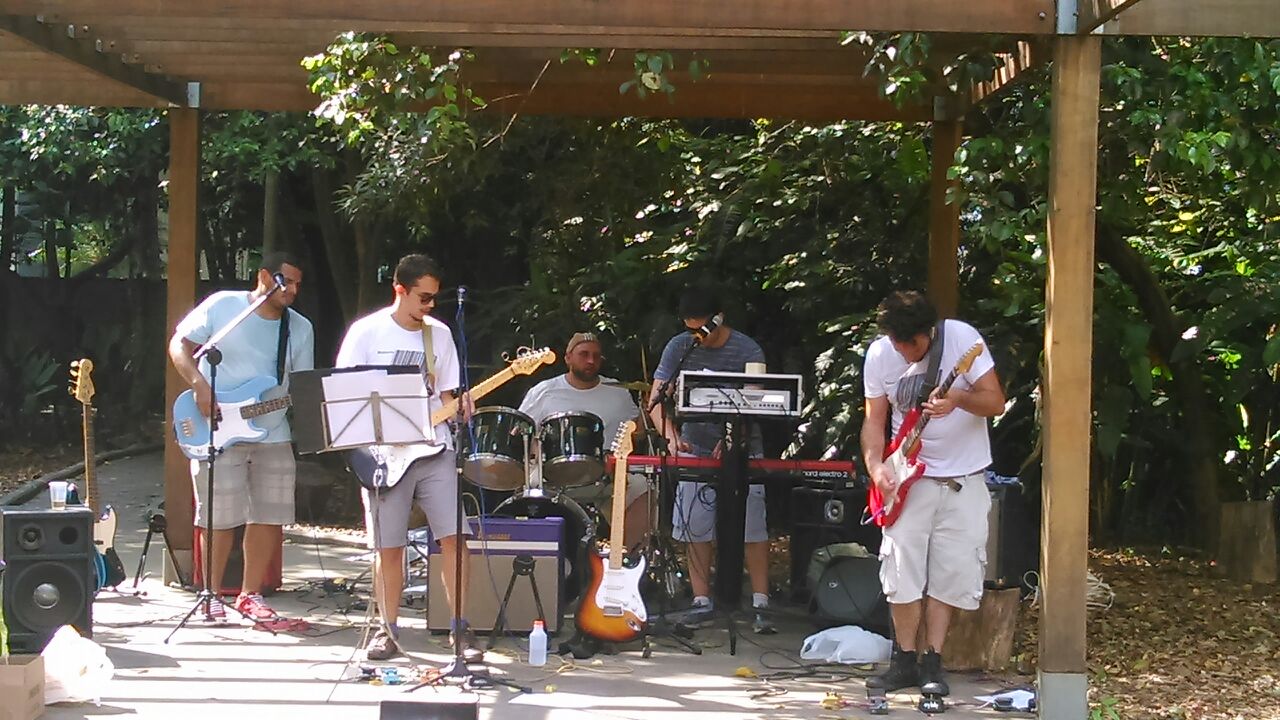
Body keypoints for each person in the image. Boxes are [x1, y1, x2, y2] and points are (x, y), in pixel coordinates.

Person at [860, 290, 1004, 696]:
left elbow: (996, 402)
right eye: (896, 342)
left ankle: (932, 661)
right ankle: (904, 660)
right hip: (907, 479)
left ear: (930, 333)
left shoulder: (961, 339)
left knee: (950, 574)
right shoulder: (879, 354)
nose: (903, 351)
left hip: (963, 479)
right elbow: (874, 420)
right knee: (900, 572)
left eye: (911, 344)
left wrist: (958, 399)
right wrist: (876, 467)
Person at [335, 253, 475, 661]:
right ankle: (388, 630)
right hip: (384, 455)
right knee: (389, 546)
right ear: (399, 289)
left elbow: (445, 395)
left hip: (434, 448)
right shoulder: (366, 332)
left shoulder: (439, 335)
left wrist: (459, 406)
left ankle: (461, 629)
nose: (430, 306)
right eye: (423, 298)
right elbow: (344, 394)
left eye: (434, 298)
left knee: (455, 539)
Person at [168, 251, 315, 623]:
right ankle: (211, 595)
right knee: (217, 517)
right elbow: (178, 345)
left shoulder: (300, 328)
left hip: (273, 430)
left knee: (269, 515)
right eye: (286, 282)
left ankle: (251, 595)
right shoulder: (224, 307)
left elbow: (303, 385)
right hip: (215, 427)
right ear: (264, 277)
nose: (293, 290)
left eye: (298, 284)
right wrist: (200, 386)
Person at [647, 285, 775, 634]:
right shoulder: (679, 347)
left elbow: (755, 403)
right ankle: (701, 600)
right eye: (691, 330)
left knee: (752, 525)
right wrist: (671, 438)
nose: (697, 337)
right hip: (696, 446)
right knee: (695, 524)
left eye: (702, 329)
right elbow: (655, 400)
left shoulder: (748, 349)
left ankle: (761, 602)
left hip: (743, 449)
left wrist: (734, 439)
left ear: (719, 319)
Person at [519, 332, 650, 549]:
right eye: (584, 354)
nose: (591, 360)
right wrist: (535, 450)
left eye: (596, 356)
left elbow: (638, 434)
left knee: (643, 487)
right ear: (568, 358)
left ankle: (624, 556)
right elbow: (521, 431)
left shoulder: (617, 392)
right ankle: (538, 551)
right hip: (552, 474)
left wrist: (649, 408)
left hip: (606, 476)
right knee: (529, 486)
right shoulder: (544, 391)